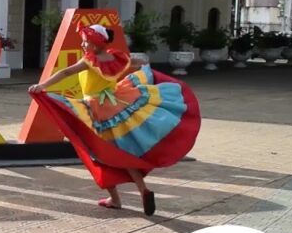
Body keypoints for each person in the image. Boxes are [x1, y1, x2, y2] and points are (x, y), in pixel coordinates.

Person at [28, 24, 200, 216]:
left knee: (102, 154)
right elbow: (134, 64)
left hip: (96, 110)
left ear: (95, 44)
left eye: (85, 41)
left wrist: (42, 85)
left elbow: (66, 72)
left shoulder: (89, 61)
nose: (83, 44)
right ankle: (143, 189)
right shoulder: (116, 57)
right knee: (123, 153)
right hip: (117, 103)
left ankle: (115, 199)